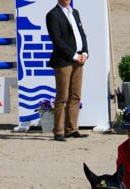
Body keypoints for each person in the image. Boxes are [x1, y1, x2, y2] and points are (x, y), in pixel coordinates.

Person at [46, 0, 88, 141]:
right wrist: (74, 55)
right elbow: (57, 40)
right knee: (62, 96)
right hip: (63, 61)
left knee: (75, 95)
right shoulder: (52, 15)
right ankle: (58, 131)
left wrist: (85, 52)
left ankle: (71, 128)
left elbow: (82, 34)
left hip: (78, 60)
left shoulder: (75, 12)